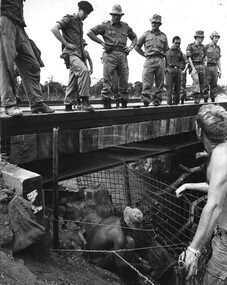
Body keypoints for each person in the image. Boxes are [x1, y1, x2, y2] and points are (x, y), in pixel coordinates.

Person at [175, 104, 227, 284]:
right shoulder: (224, 150)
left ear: (199, 130)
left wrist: (193, 250)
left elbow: (214, 205)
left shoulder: (220, 157)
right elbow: (219, 190)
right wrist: (189, 185)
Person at [0, 0, 54, 117]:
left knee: (32, 64)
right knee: (7, 64)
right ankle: (9, 104)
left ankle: (36, 103)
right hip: (5, 19)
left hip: (19, 24)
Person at [87, 4, 137, 109]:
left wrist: (131, 47)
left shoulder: (125, 26)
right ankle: (106, 101)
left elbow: (134, 37)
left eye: (118, 15)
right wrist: (102, 43)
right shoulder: (105, 25)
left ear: (121, 16)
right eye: (114, 15)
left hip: (122, 55)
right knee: (108, 79)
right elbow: (90, 33)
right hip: (110, 54)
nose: (116, 17)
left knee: (124, 79)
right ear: (111, 15)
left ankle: (123, 101)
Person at [86, 206, 151, 283]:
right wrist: (141, 266)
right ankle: (126, 275)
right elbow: (119, 264)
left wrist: (140, 259)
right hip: (96, 261)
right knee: (128, 243)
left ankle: (130, 264)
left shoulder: (114, 218)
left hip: (91, 250)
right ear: (128, 225)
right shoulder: (119, 237)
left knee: (130, 241)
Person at [51, 1, 94, 112]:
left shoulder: (80, 23)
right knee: (84, 71)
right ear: (79, 9)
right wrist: (66, 43)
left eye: (88, 14)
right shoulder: (69, 19)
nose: (86, 16)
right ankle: (84, 101)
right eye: (85, 13)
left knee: (73, 79)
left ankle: (68, 104)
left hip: (78, 55)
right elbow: (54, 29)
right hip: (71, 54)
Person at [135, 14, 169, 107]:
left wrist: (167, 64)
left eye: (156, 23)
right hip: (149, 59)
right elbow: (137, 46)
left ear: (159, 24)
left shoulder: (164, 36)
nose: (154, 24)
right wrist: (144, 54)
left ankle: (157, 100)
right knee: (147, 81)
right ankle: (146, 100)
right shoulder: (146, 34)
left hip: (160, 60)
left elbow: (167, 51)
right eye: (153, 22)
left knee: (160, 82)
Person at [186, 30, 209, 104]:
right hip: (194, 65)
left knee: (204, 82)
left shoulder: (203, 47)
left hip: (201, 66)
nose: (201, 39)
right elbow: (189, 58)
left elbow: (205, 55)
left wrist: (205, 62)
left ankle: (205, 97)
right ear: (196, 37)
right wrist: (193, 68)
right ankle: (196, 97)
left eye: (202, 38)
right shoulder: (190, 46)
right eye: (200, 38)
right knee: (196, 81)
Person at [165, 36, 185, 105]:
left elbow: (184, 61)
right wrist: (166, 69)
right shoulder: (167, 51)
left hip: (177, 70)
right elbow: (164, 61)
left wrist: (182, 69)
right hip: (169, 70)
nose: (177, 45)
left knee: (177, 89)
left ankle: (176, 104)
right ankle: (169, 104)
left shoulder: (180, 52)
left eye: (179, 43)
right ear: (172, 42)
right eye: (176, 43)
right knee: (169, 89)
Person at [205, 31, 222, 103]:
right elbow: (204, 57)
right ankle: (205, 99)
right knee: (206, 83)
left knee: (214, 84)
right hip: (208, 67)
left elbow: (218, 59)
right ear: (212, 38)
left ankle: (213, 99)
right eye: (215, 38)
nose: (217, 39)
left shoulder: (218, 48)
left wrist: (220, 70)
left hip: (215, 67)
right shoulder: (207, 46)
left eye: (218, 38)